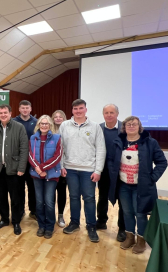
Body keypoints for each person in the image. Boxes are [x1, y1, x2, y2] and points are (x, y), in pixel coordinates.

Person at [108, 116, 167, 254]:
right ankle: (130, 237)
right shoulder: (118, 141)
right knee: (127, 212)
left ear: (139, 126)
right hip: (123, 185)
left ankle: (141, 241)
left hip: (141, 187)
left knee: (140, 214)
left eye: (134, 124)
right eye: (128, 124)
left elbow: (162, 162)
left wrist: (152, 178)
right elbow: (111, 159)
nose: (131, 126)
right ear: (124, 127)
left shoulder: (150, 142)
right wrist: (113, 173)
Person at [59, 99, 106, 243]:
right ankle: (74, 223)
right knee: (73, 197)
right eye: (75, 109)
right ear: (72, 111)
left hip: (88, 170)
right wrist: (61, 166)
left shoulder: (95, 127)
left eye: (81, 108)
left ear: (86, 109)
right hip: (70, 169)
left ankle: (91, 226)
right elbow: (60, 148)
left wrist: (98, 170)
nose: (78, 111)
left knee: (89, 198)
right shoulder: (64, 125)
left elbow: (101, 149)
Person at [0, 104, 28, 235]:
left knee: (16, 198)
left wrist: (22, 167)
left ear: (10, 113)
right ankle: (4, 219)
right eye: (1, 113)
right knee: (1, 196)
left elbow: (24, 149)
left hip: (15, 170)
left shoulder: (19, 127)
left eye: (5, 112)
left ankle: (16, 221)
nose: (3, 115)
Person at [28, 115, 62, 239]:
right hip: (36, 175)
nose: (44, 125)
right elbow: (30, 155)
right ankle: (41, 225)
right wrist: (37, 168)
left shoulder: (57, 138)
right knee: (39, 201)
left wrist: (42, 168)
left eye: (46, 124)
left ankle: (49, 226)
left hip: (51, 175)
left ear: (50, 125)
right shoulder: (33, 138)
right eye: (42, 123)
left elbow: (57, 157)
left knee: (49, 202)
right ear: (38, 125)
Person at [97, 104, 126, 242]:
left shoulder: (124, 129)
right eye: (106, 112)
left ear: (117, 114)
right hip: (103, 170)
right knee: (102, 197)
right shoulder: (99, 128)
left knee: (122, 200)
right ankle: (101, 221)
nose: (109, 115)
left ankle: (122, 228)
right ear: (103, 114)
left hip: (121, 171)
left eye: (112, 112)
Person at [13, 100, 37, 220]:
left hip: (32, 162)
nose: (25, 110)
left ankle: (33, 211)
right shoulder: (13, 121)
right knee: (19, 188)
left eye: (27, 108)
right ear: (19, 109)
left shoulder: (36, 122)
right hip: (18, 161)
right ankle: (21, 211)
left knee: (32, 188)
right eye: (23, 108)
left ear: (30, 109)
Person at [52, 110, 67, 228]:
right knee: (50, 193)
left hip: (63, 167)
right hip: (51, 168)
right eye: (55, 117)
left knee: (61, 192)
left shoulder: (67, 130)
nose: (57, 118)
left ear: (64, 118)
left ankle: (61, 215)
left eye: (60, 117)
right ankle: (51, 215)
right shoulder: (48, 131)